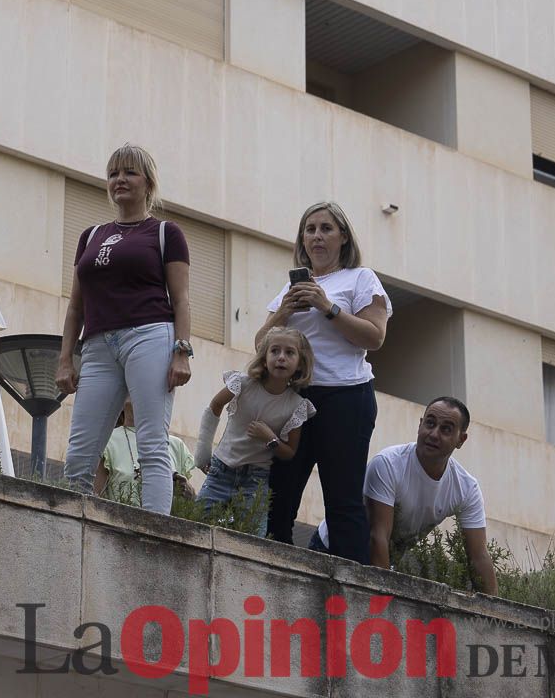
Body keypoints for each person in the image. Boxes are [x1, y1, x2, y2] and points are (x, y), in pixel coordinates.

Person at [55, 144, 192, 515]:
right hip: (98, 344)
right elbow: (75, 307)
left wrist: (182, 351)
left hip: (149, 335)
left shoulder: (166, 233)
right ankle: (74, 528)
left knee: (151, 442)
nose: (120, 180)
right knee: (80, 454)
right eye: (114, 173)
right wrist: (66, 359)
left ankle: (155, 531)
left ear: (147, 181)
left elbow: (180, 300)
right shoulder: (91, 235)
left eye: (129, 172)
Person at [259, 201, 391, 562]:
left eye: (326, 228)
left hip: (345, 397)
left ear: (343, 237)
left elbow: (374, 337)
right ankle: (273, 568)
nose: (317, 236)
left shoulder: (360, 278)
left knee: (343, 499)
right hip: (294, 399)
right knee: (279, 494)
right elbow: (261, 345)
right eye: (310, 229)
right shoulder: (288, 290)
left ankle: (354, 586)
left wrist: (327, 306)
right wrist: (286, 309)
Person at [310, 397, 498, 595]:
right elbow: (378, 536)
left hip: (382, 561)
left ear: (461, 439)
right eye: (430, 423)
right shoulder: (389, 463)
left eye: (446, 429)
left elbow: (478, 557)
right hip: (332, 547)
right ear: (420, 425)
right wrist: (384, 597)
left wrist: (495, 615)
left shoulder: (466, 488)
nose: (434, 434)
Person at [195, 327, 316, 538]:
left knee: (252, 540)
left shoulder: (296, 405)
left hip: (255, 481)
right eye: (275, 351)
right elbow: (214, 406)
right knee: (195, 529)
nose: (281, 358)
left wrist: (270, 439)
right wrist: (203, 455)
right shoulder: (243, 383)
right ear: (264, 357)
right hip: (221, 471)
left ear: (300, 363)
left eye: (289, 353)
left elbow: (289, 452)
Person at [95, 399, 197, 504]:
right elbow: (96, 499)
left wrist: (190, 493)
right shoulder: (107, 440)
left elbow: (190, 504)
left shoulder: (176, 445)